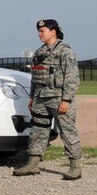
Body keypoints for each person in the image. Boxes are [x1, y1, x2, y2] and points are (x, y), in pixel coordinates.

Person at [13, 18, 82, 180]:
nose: (39, 34)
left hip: (59, 99)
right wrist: (31, 97)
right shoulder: (39, 53)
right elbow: (35, 77)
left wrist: (66, 99)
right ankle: (33, 164)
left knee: (67, 131)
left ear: (53, 32)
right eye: (38, 31)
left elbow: (72, 77)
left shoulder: (65, 52)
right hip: (40, 99)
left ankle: (75, 166)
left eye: (42, 31)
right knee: (38, 131)